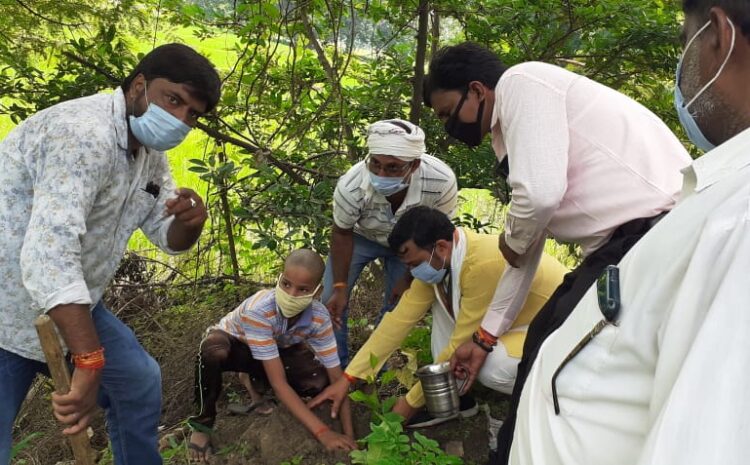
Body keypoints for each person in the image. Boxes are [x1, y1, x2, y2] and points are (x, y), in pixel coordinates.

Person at [422, 42, 693, 461]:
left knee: (555, 356)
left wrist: (509, 239)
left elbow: (539, 200)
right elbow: (528, 242)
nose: (448, 127)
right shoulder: (511, 128)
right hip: (620, 246)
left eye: (446, 113)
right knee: (545, 341)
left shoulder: (522, 83)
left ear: (476, 90)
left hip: (649, 231)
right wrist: (484, 337)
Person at [509, 2, 750, 464]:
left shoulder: (737, 222)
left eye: (686, 44)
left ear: (720, 36)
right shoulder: (718, 200)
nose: (683, 73)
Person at [0, 43, 221, 465]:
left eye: (192, 114)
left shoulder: (148, 151)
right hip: (6, 305)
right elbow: (49, 257)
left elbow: (164, 232)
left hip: (74, 300)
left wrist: (188, 225)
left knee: (138, 381)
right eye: (173, 100)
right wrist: (88, 359)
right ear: (139, 86)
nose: (180, 120)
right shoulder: (83, 135)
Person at [310, 207, 567, 428]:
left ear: (441, 247)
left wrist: (406, 407)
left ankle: (552, 402)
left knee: (490, 365)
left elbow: (460, 345)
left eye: (413, 263)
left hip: (553, 328)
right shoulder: (441, 262)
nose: (411, 272)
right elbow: (397, 322)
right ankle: (458, 401)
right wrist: (349, 377)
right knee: (445, 319)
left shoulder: (482, 265)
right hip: (514, 323)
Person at [188, 249, 355, 462]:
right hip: (237, 345)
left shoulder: (319, 317)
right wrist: (323, 433)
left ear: (317, 291)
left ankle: (254, 379)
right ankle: (202, 424)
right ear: (279, 278)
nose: (291, 295)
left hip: (276, 348)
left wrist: (351, 437)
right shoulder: (260, 311)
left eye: (302, 289)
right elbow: (279, 383)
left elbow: (336, 380)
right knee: (211, 351)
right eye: (286, 284)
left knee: (318, 382)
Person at [322, 119, 458, 366]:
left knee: (396, 306)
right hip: (361, 237)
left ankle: (371, 369)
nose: (381, 174)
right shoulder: (351, 186)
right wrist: (340, 287)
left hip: (412, 245)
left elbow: (438, 234)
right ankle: (336, 367)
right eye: (376, 164)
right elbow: (342, 233)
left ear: (414, 165)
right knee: (331, 300)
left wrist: (407, 279)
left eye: (393, 167)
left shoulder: (441, 182)